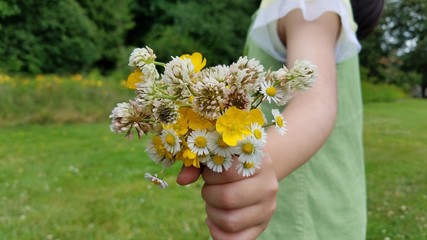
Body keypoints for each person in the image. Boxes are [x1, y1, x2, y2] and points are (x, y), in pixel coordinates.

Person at [177, 0, 384, 239]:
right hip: (334, 202)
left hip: (298, 212)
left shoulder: (309, 4)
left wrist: (247, 166)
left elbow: (316, 103)